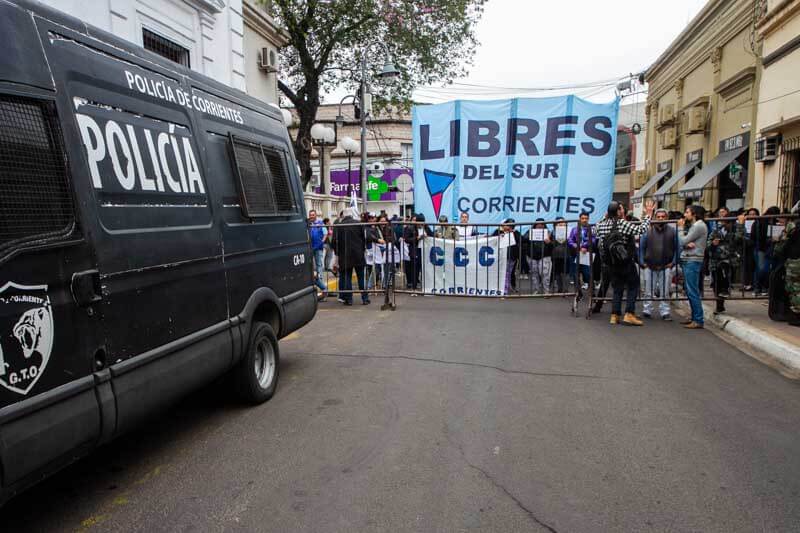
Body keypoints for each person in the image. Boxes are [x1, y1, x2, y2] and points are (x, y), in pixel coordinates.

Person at [597, 199, 654, 326]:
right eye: (621, 208)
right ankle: (629, 314)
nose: (623, 210)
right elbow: (641, 229)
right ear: (617, 211)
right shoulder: (622, 223)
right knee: (633, 285)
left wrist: (603, 217)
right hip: (624, 260)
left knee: (617, 288)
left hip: (611, 262)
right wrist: (648, 215)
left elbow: (596, 231)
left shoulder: (602, 224)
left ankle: (615, 315)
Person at [639, 208, 677, 320]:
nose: (660, 219)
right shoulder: (647, 231)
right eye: (658, 217)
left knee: (665, 291)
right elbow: (641, 248)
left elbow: (677, 248)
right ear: (655, 218)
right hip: (649, 266)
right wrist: (642, 262)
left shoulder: (672, 231)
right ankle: (647, 310)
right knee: (648, 290)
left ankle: (665, 312)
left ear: (667, 218)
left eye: (663, 217)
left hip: (666, 266)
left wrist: (673, 262)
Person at [677, 205, 708, 329]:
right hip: (689, 259)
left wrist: (680, 229)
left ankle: (698, 319)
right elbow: (685, 243)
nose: (685, 215)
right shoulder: (695, 226)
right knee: (690, 291)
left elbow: (682, 241)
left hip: (693, 260)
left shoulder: (699, 226)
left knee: (692, 291)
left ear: (694, 213)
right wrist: (685, 243)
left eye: (687, 212)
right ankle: (694, 317)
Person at [332, 208, 370, 305]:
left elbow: (334, 241)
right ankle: (365, 298)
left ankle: (349, 299)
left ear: (343, 216)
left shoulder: (339, 225)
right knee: (361, 277)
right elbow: (364, 239)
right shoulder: (358, 224)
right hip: (358, 255)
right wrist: (362, 250)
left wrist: (337, 253)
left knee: (346, 278)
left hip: (344, 256)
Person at [707, 209, 745, 300]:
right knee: (716, 284)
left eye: (727, 222)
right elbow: (708, 242)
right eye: (724, 221)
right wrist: (713, 243)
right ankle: (719, 304)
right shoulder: (717, 229)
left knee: (724, 280)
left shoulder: (736, 229)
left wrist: (740, 224)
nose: (725, 224)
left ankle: (724, 292)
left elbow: (738, 238)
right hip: (716, 258)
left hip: (729, 259)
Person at [493, 218, 522, 294]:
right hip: (499, 256)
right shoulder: (498, 231)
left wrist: (513, 233)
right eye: (508, 225)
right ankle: (500, 288)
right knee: (500, 273)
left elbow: (521, 240)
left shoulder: (516, 233)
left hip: (511, 256)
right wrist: (500, 236)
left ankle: (506, 289)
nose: (509, 227)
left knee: (508, 273)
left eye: (511, 225)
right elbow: (492, 240)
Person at [568, 211, 594, 290]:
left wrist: (585, 246)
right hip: (576, 254)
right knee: (576, 274)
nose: (584, 220)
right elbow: (570, 240)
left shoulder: (591, 229)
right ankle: (578, 292)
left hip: (587, 254)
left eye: (586, 218)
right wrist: (574, 245)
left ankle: (591, 292)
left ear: (588, 219)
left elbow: (593, 239)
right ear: (579, 219)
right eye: (582, 218)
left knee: (587, 273)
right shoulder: (574, 229)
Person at [526, 218, 553, 295]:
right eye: (538, 224)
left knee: (545, 273)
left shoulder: (549, 232)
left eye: (542, 224)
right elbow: (524, 239)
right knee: (534, 273)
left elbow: (553, 245)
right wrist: (530, 234)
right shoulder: (529, 231)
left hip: (545, 256)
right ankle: (536, 290)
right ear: (535, 224)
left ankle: (546, 291)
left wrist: (549, 241)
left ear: (544, 225)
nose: (540, 225)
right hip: (532, 256)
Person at [308, 209, 327, 298]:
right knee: (310, 266)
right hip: (310, 248)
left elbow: (325, 233)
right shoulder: (308, 224)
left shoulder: (320, 223)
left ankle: (322, 287)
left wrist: (322, 242)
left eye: (313, 215)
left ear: (316, 215)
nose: (311, 216)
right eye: (310, 215)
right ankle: (318, 285)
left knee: (319, 266)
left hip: (318, 248)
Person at [550, 217, 570, 294]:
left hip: (566, 254)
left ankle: (565, 290)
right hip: (555, 255)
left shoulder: (569, 231)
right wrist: (549, 241)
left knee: (566, 273)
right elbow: (552, 243)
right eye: (559, 222)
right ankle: (560, 289)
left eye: (563, 222)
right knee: (557, 272)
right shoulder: (552, 232)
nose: (561, 223)